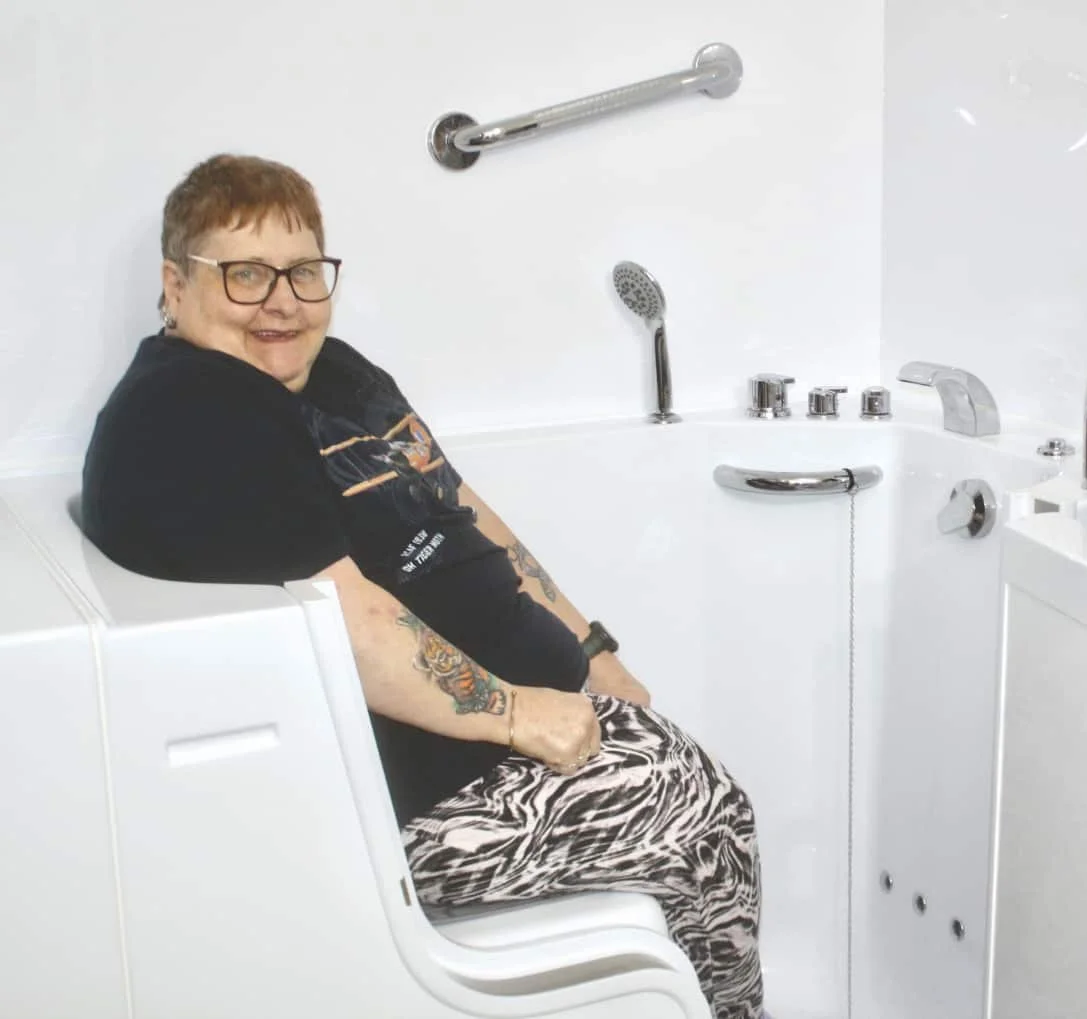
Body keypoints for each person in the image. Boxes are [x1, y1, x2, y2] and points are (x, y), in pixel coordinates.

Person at [81, 153, 764, 1019]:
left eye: (302, 272)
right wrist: (521, 713)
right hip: (418, 803)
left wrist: (590, 649)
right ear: (176, 286)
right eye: (246, 275)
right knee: (706, 810)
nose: (283, 302)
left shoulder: (332, 373)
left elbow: (463, 509)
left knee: (696, 798)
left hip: (502, 736)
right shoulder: (199, 407)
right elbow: (346, 617)